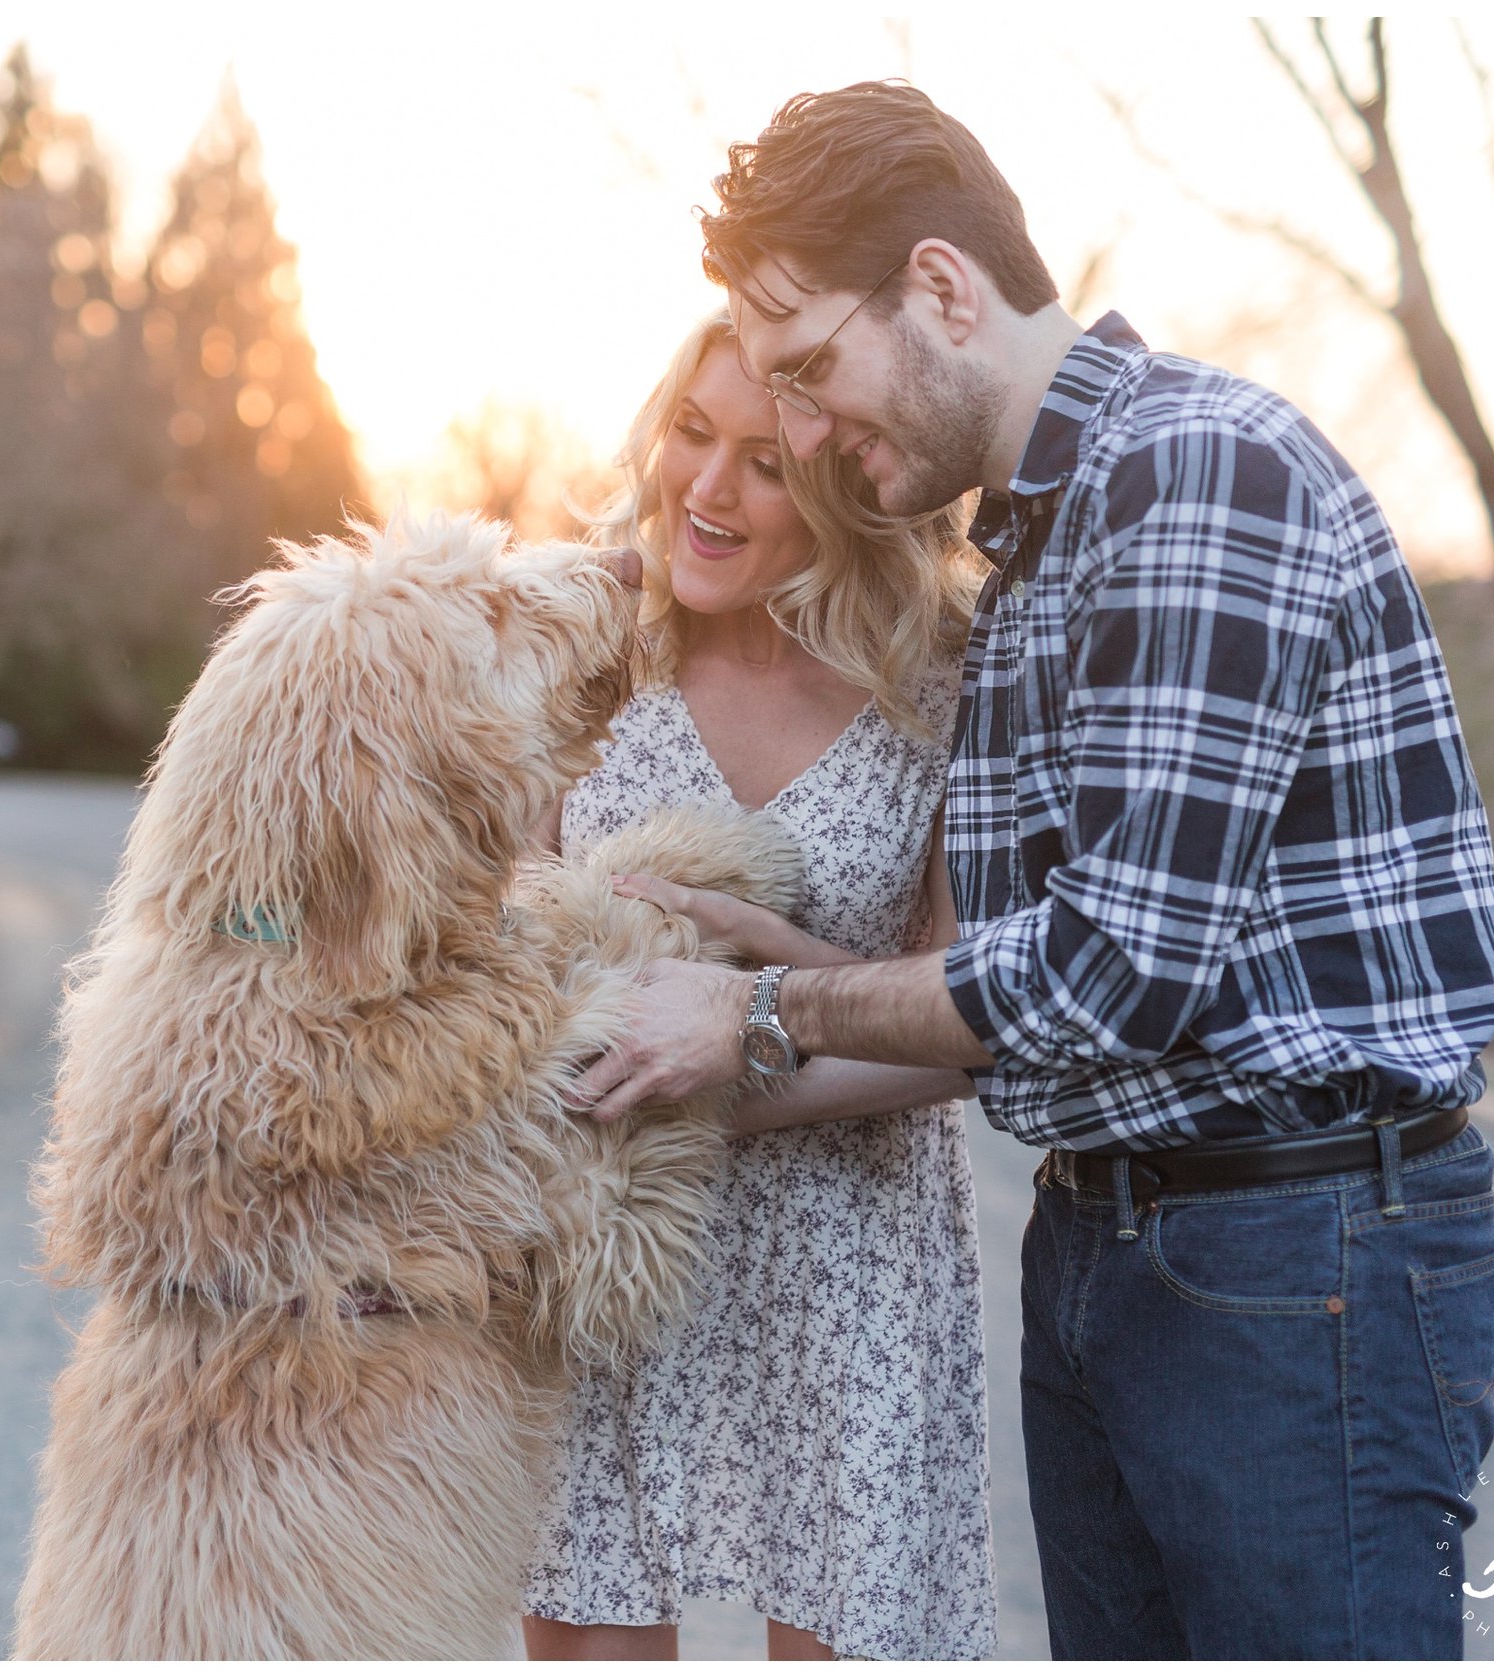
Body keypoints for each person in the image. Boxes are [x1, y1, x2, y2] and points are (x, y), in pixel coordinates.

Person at [572, 83, 1494, 1660]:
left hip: (1299, 1257)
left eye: (809, 375)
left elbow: (1111, 972)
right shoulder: (1035, 550)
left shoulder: (1198, 476)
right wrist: (761, 945)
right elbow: (996, 978)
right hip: (1107, 1247)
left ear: (941, 288)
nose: (800, 436)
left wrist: (763, 1008)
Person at [519, 309, 997, 1662]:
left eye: (768, 462)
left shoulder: (943, 685)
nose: (709, 491)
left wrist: (737, 1032)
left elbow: (966, 1027)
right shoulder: (586, 652)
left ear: (848, 481)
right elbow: (494, 962)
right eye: (691, 435)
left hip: (852, 1265)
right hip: (613, 1249)